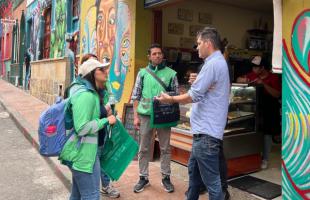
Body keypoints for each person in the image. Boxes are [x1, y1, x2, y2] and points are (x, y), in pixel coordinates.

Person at [157, 27, 230, 200]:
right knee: (194, 178)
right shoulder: (216, 63)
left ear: (208, 43)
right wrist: (199, 80)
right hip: (204, 134)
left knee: (212, 184)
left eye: (198, 44)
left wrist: (171, 99)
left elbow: (193, 95)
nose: (196, 48)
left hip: (206, 135)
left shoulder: (213, 63)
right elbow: (207, 89)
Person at [59, 57, 117, 199]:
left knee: (77, 195)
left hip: (86, 153)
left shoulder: (93, 93)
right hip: (83, 156)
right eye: (101, 69)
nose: (105, 72)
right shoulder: (85, 95)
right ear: (92, 74)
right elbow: (82, 128)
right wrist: (106, 121)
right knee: (91, 196)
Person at [131, 43, 179, 193]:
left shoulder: (172, 73)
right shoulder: (142, 73)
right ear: (149, 57)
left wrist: (168, 100)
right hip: (145, 115)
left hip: (164, 117)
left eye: (159, 53)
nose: (157, 56)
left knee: (165, 148)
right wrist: (135, 117)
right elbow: (135, 95)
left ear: (163, 55)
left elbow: (177, 96)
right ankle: (143, 177)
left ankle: (166, 177)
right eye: (154, 54)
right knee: (143, 148)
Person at [237, 55, 281, 169]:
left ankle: (265, 159)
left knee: (267, 134)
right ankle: (254, 156)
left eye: (256, 68)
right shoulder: (252, 75)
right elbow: (238, 80)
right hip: (255, 109)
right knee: (255, 132)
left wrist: (263, 84)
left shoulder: (273, 78)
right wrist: (244, 80)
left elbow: (277, 94)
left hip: (269, 109)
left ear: (262, 68)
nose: (253, 70)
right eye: (252, 67)